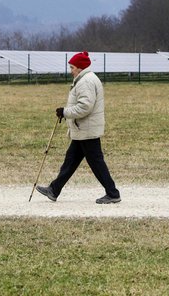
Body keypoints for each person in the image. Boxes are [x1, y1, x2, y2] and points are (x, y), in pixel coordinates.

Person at [36, 51, 121, 204]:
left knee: (96, 162)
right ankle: (54, 190)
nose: (71, 70)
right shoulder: (84, 79)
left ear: (80, 68)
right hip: (82, 129)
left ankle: (113, 193)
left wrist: (65, 112)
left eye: (72, 67)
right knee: (70, 161)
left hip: (86, 129)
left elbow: (85, 107)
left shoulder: (86, 81)